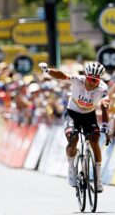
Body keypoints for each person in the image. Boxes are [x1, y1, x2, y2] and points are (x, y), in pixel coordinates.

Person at [38, 62, 110, 192]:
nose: (92, 82)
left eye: (96, 80)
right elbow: (62, 75)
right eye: (90, 79)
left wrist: (105, 125)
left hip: (89, 115)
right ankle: (71, 168)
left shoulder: (103, 88)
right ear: (86, 76)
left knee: (95, 142)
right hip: (72, 114)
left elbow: (105, 107)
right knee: (73, 139)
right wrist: (48, 70)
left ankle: (98, 179)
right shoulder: (78, 80)